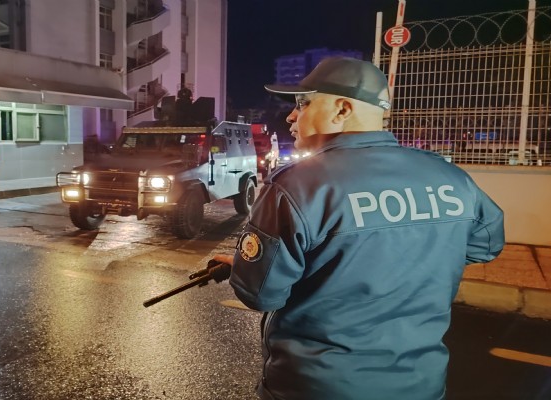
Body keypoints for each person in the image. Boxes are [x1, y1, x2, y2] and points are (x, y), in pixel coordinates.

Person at [214, 57, 505, 400]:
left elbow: (261, 294)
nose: (291, 116)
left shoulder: (297, 187)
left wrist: (245, 268)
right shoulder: (450, 177)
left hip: (319, 386)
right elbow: (486, 245)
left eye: (303, 104)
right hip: (420, 385)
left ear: (342, 109)